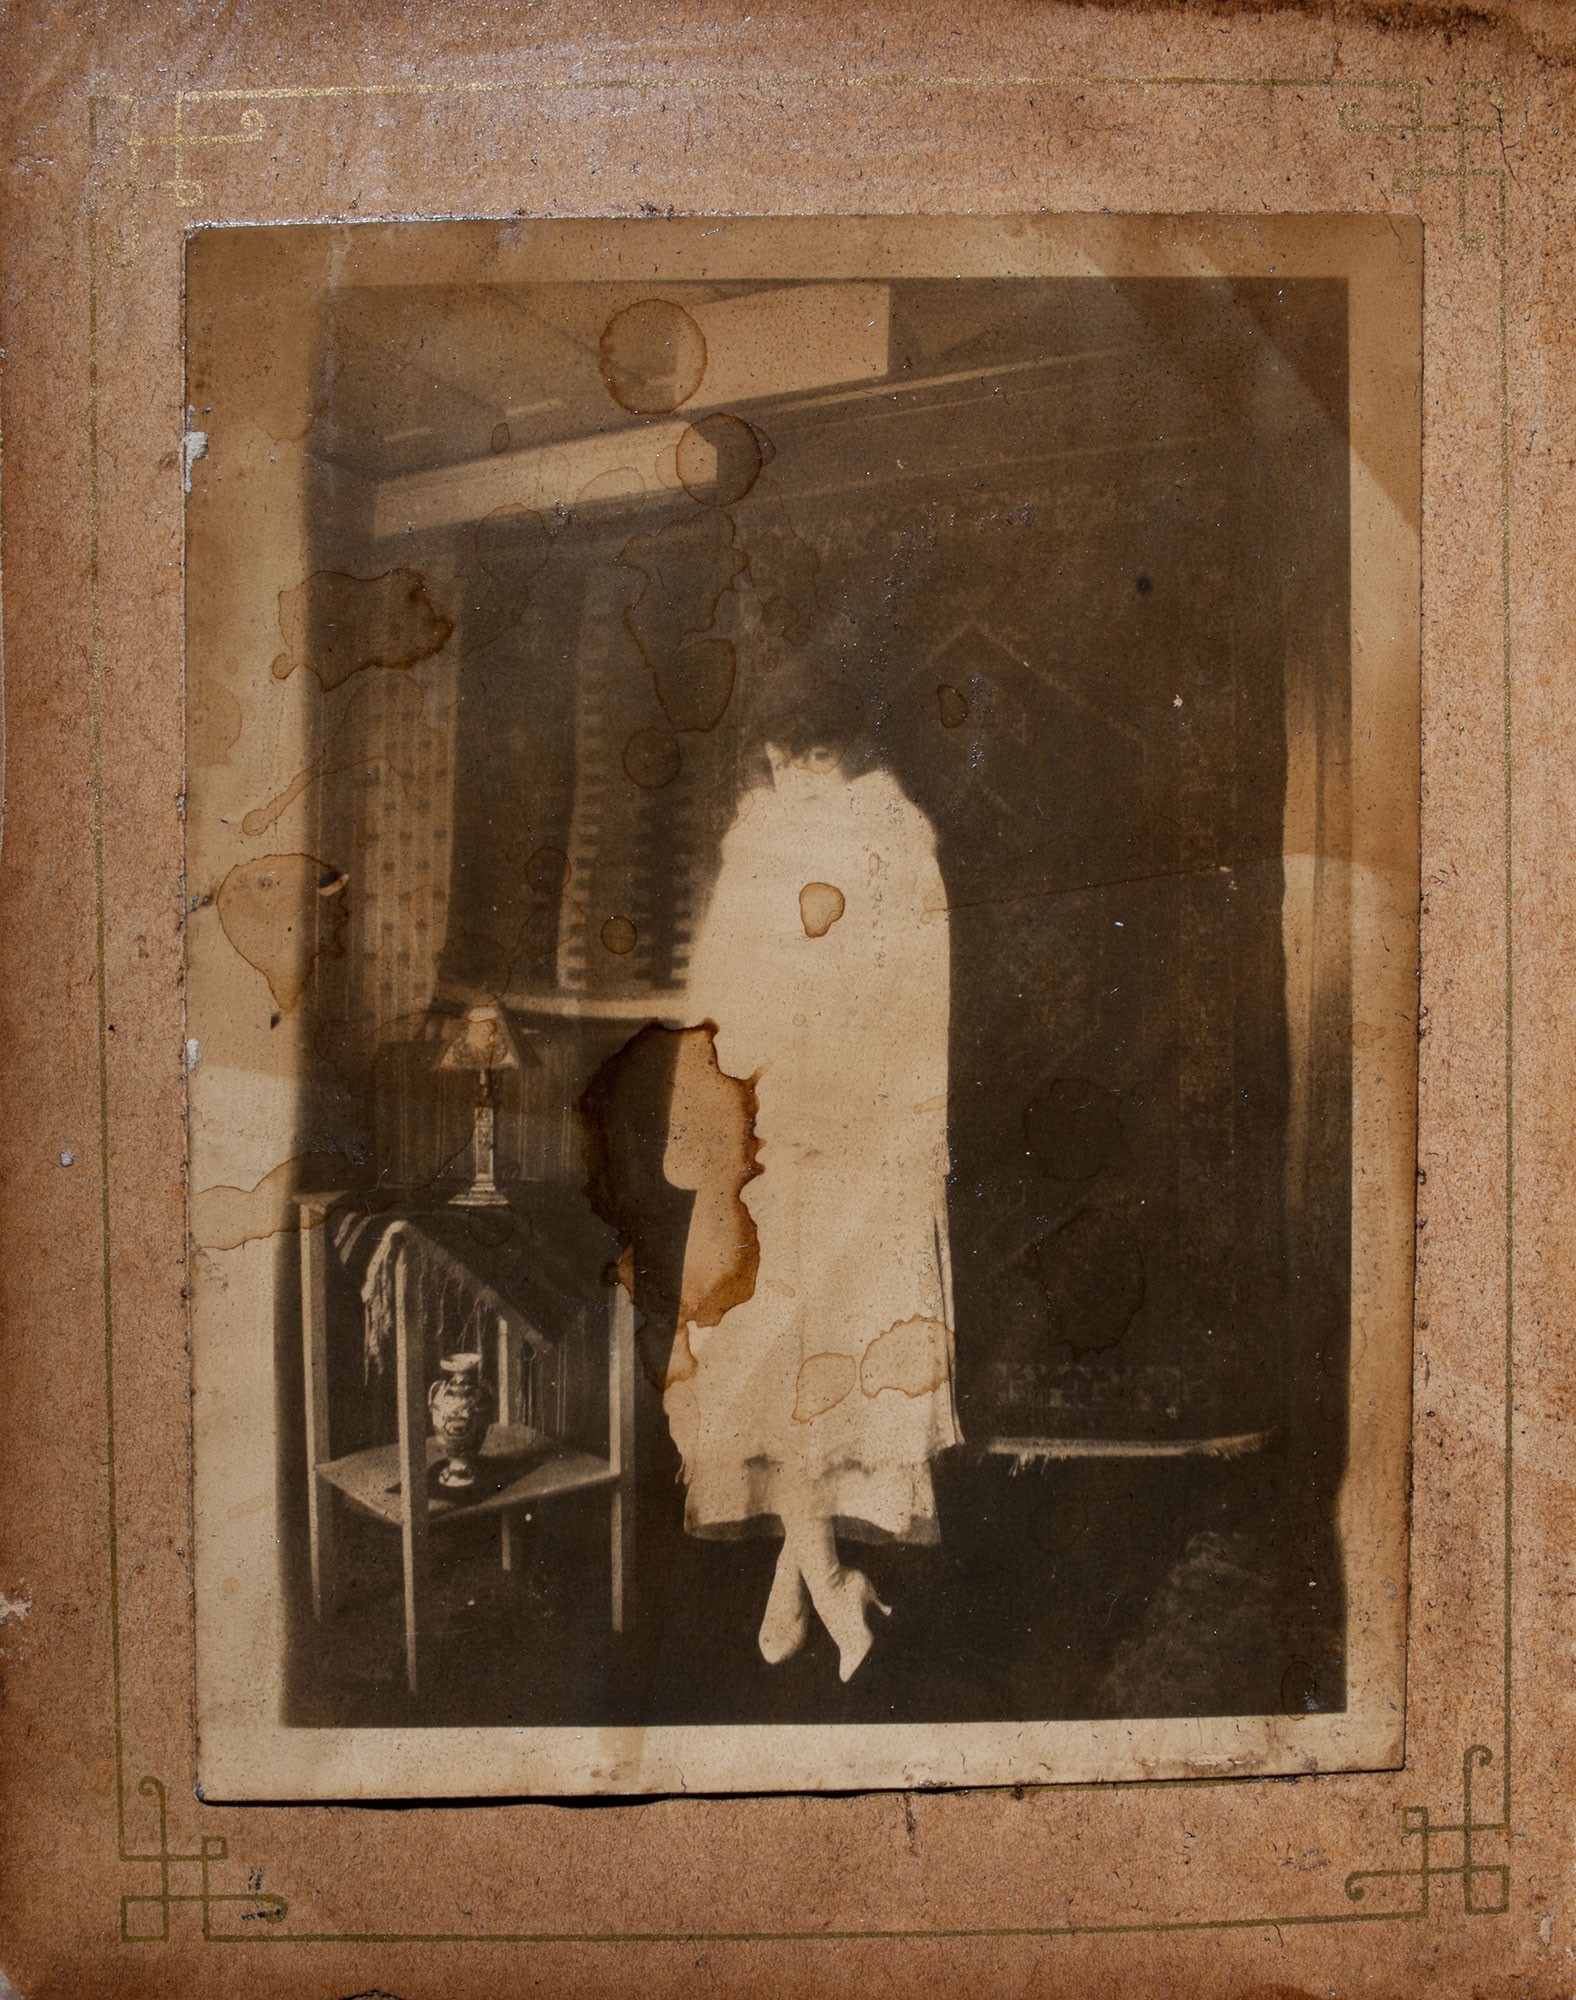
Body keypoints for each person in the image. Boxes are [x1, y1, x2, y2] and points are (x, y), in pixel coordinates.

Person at [661, 682, 961, 1682]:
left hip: (862, 1143)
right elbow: (719, 995)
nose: (794, 775)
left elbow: (917, 1001)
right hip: (771, 1137)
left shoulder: (892, 838)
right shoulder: (763, 834)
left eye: (813, 758)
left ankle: (814, 1582)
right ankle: (824, 1580)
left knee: (825, 1361)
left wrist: (908, 1136)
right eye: (783, 759)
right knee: (770, 1357)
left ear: (850, 749)